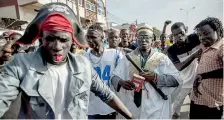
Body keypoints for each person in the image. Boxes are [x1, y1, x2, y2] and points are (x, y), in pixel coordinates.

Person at [0, 3, 132, 119]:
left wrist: (130, 117)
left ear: (73, 40)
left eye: (63, 40)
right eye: (50, 39)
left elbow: (106, 94)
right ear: (41, 38)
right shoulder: (20, 64)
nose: (57, 47)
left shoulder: (83, 65)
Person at [111, 25, 181, 119]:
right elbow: (114, 77)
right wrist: (121, 82)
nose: (143, 40)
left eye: (147, 37)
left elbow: (176, 80)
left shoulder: (162, 59)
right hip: (132, 105)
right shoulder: (128, 58)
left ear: (152, 40)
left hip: (156, 106)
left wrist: (155, 77)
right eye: (140, 37)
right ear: (136, 39)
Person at [84, 24, 124, 119]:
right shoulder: (83, 58)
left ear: (102, 37)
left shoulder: (115, 54)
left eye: (93, 37)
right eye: (88, 37)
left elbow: (123, 74)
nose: (90, 40)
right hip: (91, 108)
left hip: (111, 107)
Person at [190, 17, 223, 119]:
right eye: (199, 35)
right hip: (197, 99)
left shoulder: (221, 47)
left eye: (206, 33)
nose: (202, 38)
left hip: (212, 104)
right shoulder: (206, 46)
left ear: (217, 31)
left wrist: (204, 75)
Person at [167, 22, 201, 119]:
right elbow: (179, 67)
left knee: (198, 106)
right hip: (183, 82)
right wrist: (194, 55)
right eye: (175, 34)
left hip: (197, 80)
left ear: (186, 30)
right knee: (174, 108)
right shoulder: (172, 50)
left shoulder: (195, 38)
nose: (179, 36)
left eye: (181, 33)